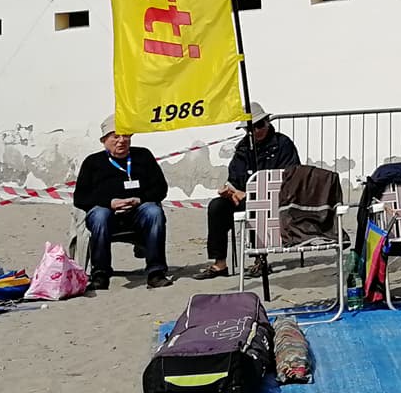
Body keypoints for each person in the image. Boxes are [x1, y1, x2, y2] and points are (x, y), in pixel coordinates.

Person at [193, 102, 301, 280]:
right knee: (217, 206)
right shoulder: (243, 147)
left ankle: (260, 259)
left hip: (276, 198)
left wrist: (252, 192)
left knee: (255, 204)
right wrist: (230, 191)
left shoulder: (282, 144)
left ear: (267, 122)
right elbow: (235, 178)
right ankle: (220, 263)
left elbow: (291, 177)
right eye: (250, 128)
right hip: (244, 198)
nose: (256, 131)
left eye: (259, 125)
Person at [74, 116, 171, 290]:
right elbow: (81, 197)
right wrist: (110, 203)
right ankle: (100, 274)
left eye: (126, 135)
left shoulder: (143, 156)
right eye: (116, 136)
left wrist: (139, 200)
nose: (122, 140)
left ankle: (156, 272)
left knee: (154, 212)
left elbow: (160, 189)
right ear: (104, 140)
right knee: (100, 216)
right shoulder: (92, 162)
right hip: (107, 211)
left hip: (138, 210)